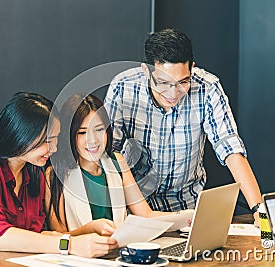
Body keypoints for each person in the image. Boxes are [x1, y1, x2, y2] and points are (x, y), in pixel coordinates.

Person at [104, 28, 262, 225]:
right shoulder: (123, 87)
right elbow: (110, 153)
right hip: (135, 211)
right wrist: (138, 212)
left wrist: (259, 210)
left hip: (187, 212)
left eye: (183, 82)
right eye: (163, 82)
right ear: (146, 70)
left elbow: (230, 149)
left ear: (192, 68)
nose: (173, 93)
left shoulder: (207, 87)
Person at [0, 92, 117, 259]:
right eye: (47, 141)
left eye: (55, 139)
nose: (54, 148)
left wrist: (88, 230)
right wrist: (70, 245)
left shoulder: (33, 175)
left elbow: (38, 237)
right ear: (22, 135)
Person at [45, 94, 191, 233]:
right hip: (81, 256)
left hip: (119, 251)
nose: (93, 140)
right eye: (82, 133)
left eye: (99, 129)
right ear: (69, 135)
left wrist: (186, 217)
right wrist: (91, 229)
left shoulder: (117, 162)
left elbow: (145, 214)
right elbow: (60, 237)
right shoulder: (55, 173)